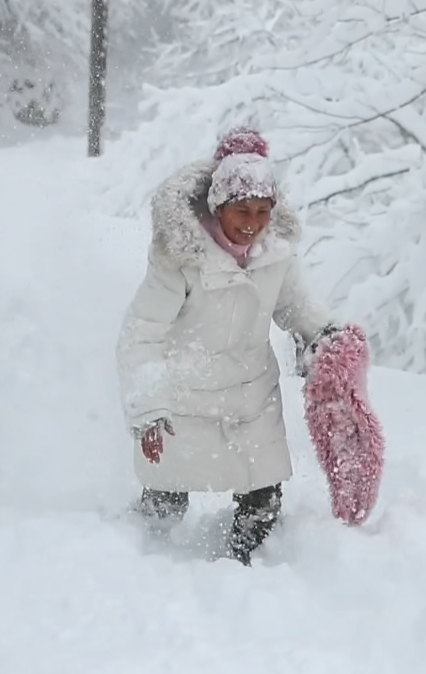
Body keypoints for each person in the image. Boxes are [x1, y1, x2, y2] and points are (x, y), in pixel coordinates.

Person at [115, 126, 341, 565]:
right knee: (166, 501)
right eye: (241, 210)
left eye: (262, 211)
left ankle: (249, 572)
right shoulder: (179, 260)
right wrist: (148, 411)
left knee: (262, 500)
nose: (252, 223)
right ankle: (138, 562)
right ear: (218, 207)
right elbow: (141, 332)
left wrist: (328, 334)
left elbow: (295, 306)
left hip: (251, 400)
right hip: (184, 400)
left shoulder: (275, 254)